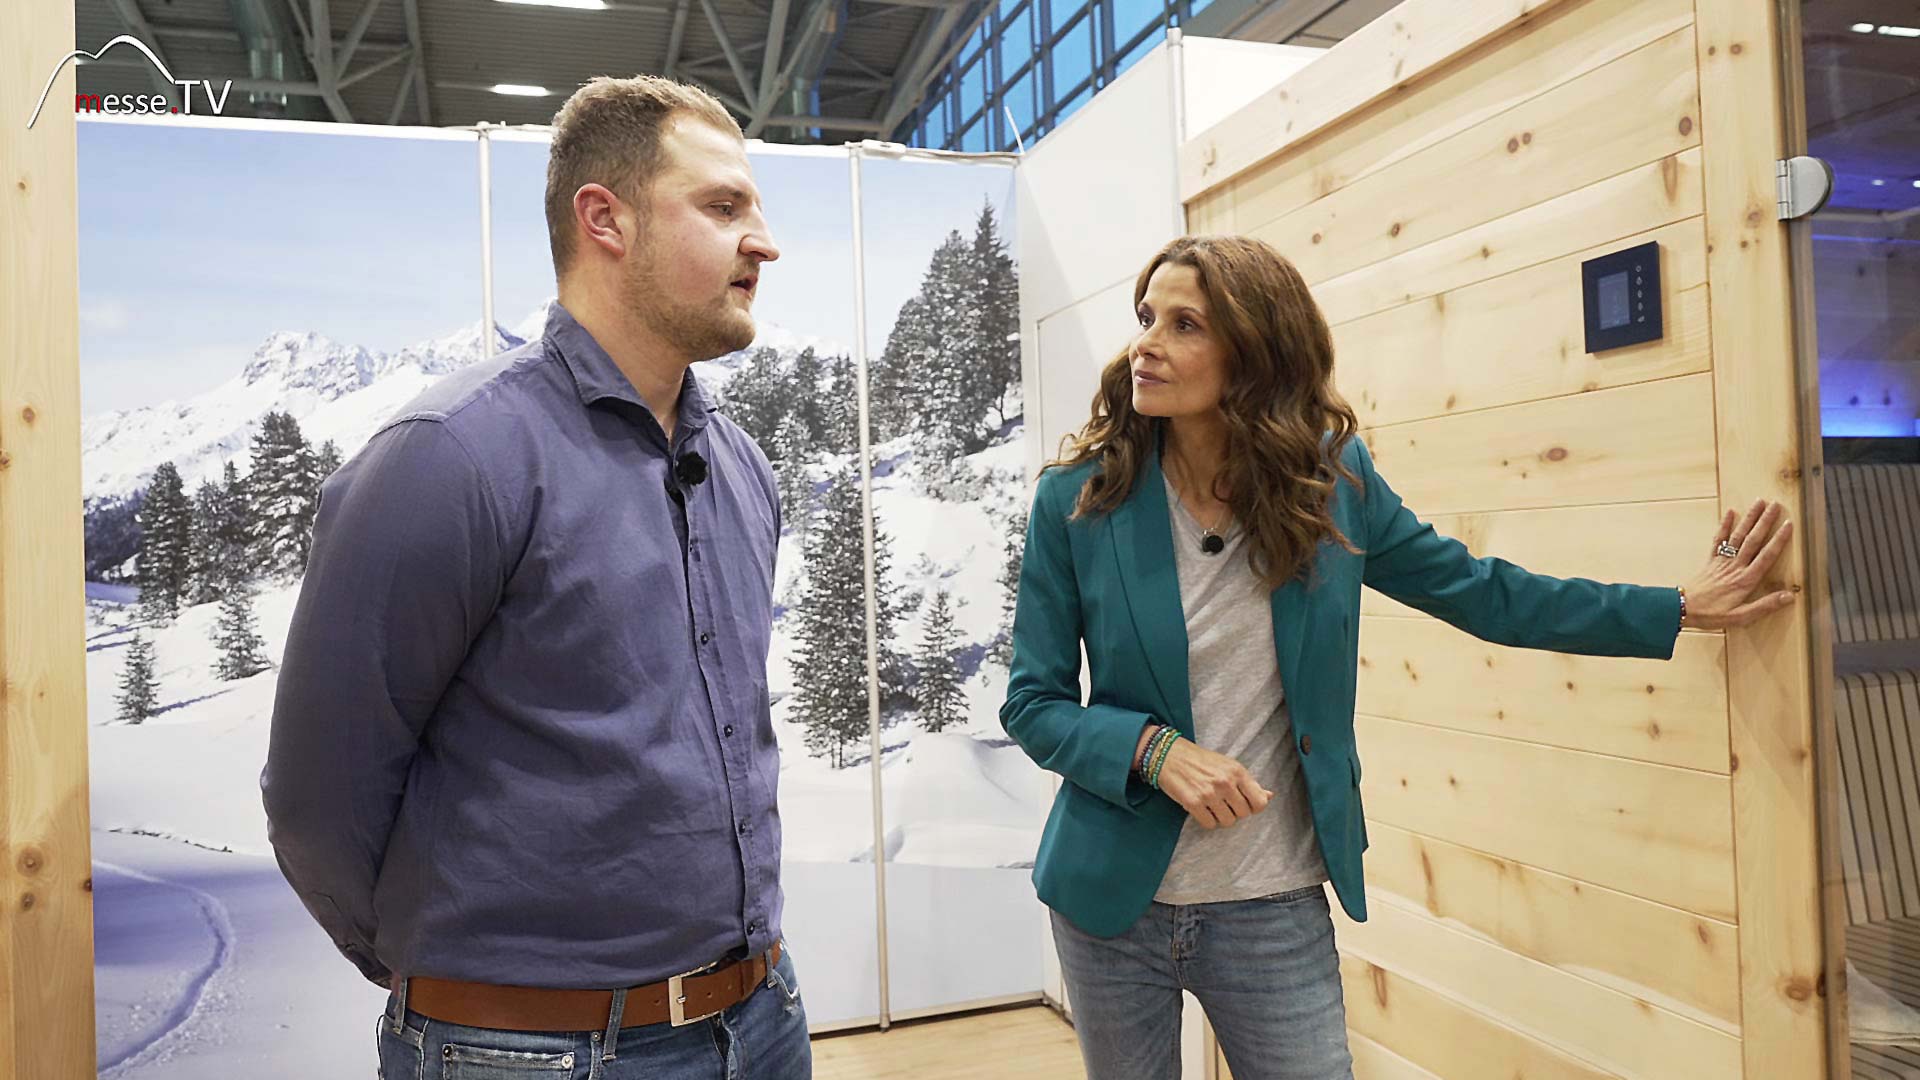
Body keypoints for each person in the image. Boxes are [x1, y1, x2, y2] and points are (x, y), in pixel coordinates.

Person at [999, 234, 1797, 1080]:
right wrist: (1153, 752)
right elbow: (1033, 704)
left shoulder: (1331, 483)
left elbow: (1486, 593)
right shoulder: (1080, 501)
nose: (1144, 345)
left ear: (1255, 353)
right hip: (1109, 905)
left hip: (1272, 904)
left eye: (1183, 324)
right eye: (1146, 317)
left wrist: (1674, 608)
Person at [261, 76, 810, 1078]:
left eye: (757, 210)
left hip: (759, 1022)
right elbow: (315, 797)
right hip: (522, 1051)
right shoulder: (451, 457)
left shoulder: (742, 469)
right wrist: (458, 985)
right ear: (604, 218)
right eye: (724, 208)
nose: (763, 243)